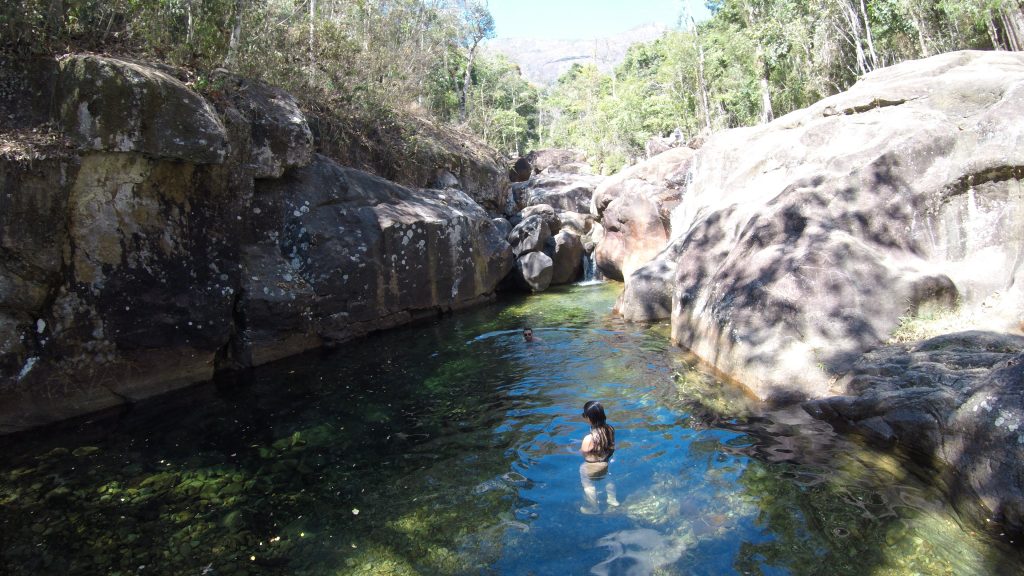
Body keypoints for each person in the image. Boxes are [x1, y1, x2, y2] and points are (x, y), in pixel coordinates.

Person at [579, 400, 619, 513]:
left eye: (584, 415)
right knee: (608, 479)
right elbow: (604, 445)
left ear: (589, 418)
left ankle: (594, 508)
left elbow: (584, 452)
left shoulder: (588, 438)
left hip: (591, 466)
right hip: (604, 463)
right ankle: (612, 499)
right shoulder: (610, 429)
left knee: (588, 484)